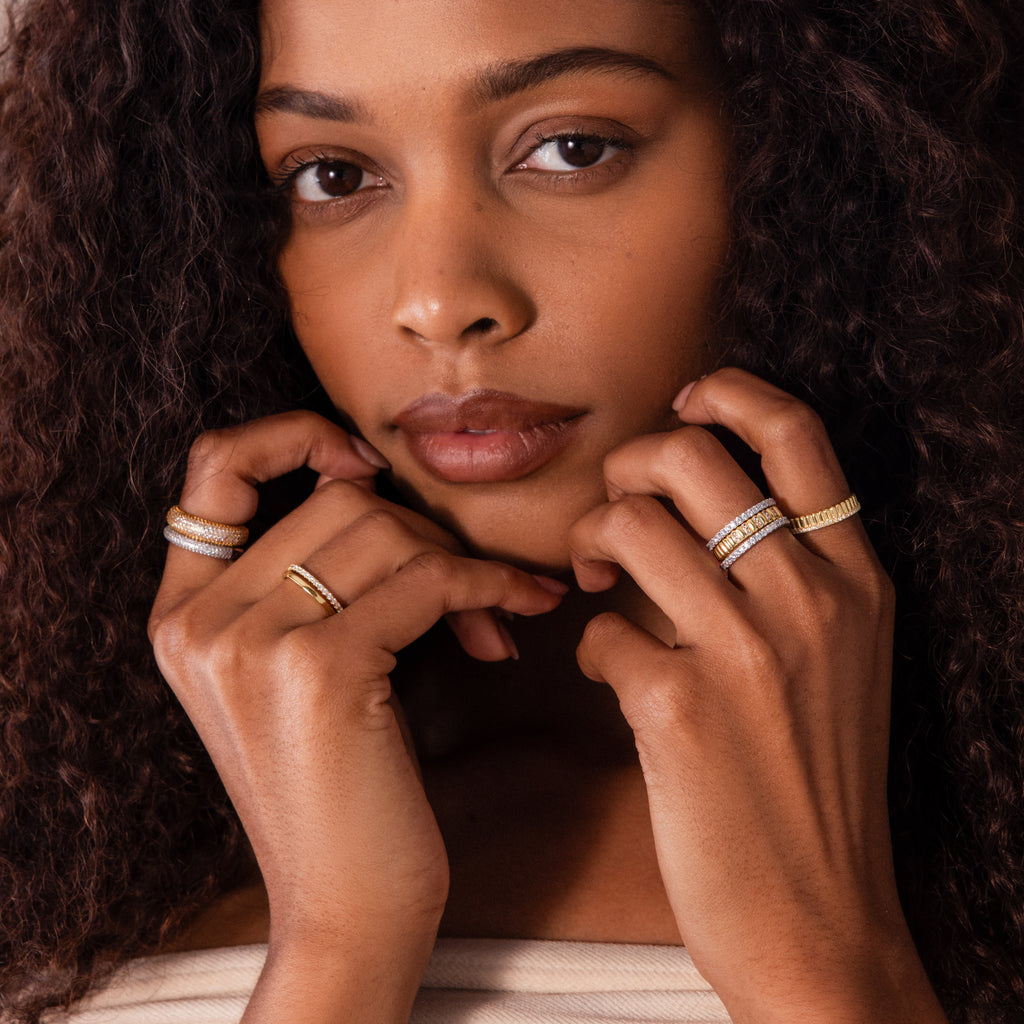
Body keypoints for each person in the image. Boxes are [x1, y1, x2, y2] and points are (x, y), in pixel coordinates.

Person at [1, 0, 1022, 1021]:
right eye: (334, 176)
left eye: (571, 149)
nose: (438, 300)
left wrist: (824, 955)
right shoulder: (60, 846)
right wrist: (337, 944)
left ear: (815, 158)